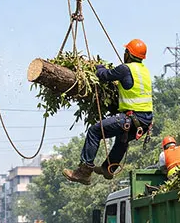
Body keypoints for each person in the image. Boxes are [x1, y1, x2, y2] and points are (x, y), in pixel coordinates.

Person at [64, 39, 153, 184]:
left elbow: (103, 75)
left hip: (132, 118)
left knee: (95, 131)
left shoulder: (126, 69)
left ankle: (84, 172)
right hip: (145, 122)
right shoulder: (144, 71)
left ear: (128, 54)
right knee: (122, 139)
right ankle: (108, 168)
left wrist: (98, 67)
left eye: (125, 52)